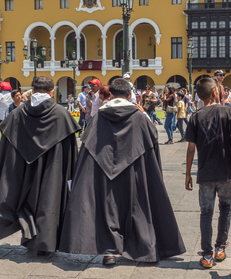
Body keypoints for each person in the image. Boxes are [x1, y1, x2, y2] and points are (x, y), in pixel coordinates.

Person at [59, 78, 186, 265]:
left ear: (110, 95)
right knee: (136, 206)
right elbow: (151, 141)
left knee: (107, 207)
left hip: (103, 170)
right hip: (134, 170)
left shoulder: (99, 117)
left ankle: (109, 252)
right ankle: (141, 247)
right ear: (129, 95)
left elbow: (88, 145)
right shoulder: (139, 116)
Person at [0, 76, 81, 255]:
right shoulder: (61, 114)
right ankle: (45, 243)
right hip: (51, 168)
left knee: (24, 199)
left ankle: (29, 234)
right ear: (52, 91)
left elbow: (7, 145)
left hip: (22, 167)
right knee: (49, 199)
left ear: (32, 90)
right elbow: (70, 149)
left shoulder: (17, 114)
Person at [185, 78, 231, 268]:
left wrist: (187, 174)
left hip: (205, 172)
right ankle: (220, 248)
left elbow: (191, 149)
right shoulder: (227, 111)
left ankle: (207, 254)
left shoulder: (195, 116)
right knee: (226, 208)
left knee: (206, 212)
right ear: (215, 93)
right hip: (226, 170)